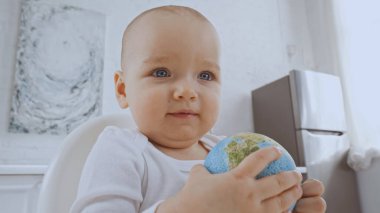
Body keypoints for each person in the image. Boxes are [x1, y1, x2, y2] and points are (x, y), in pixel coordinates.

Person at [70, 5, 326, 213]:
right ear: (123, 90)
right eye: (161, 72)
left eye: (205, 75)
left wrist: (283, 204)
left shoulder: (232, 152)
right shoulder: (121, 150)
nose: (188, 91)